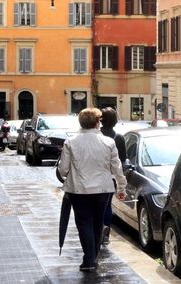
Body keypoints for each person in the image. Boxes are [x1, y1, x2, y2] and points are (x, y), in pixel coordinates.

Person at [58, 108, 126, 272]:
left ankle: (89, 259)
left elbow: (63, 170)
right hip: (103, 189)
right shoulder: (109, 142)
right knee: (97, 222)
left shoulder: (70, 142)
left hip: (78, 190)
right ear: (97, 122)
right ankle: (92, 256)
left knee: (84, 223)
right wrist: (122, 187)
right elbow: (117, 167)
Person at [99, 107, 126, 245]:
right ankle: (106, 232)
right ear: (115, 121)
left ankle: (97, 229)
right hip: (110, 177)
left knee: (94, 206)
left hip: (95, 176)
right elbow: (122, 159)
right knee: (107, 206)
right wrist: (122, 185)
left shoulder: (97, 136)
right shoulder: (119, 138)